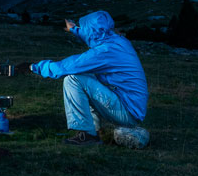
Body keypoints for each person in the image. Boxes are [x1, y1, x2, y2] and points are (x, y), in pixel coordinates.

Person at [17, 10, 149, 147]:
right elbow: (95, 34)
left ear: (91, 31)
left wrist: (32, 67)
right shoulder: (119, 41)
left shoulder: (104, 52)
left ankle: (87, 134)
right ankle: (96, 131)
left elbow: (65, 67)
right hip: (132, 107)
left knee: (73, 79)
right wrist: (74, 29)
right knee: (88, 78)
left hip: (127, 112)